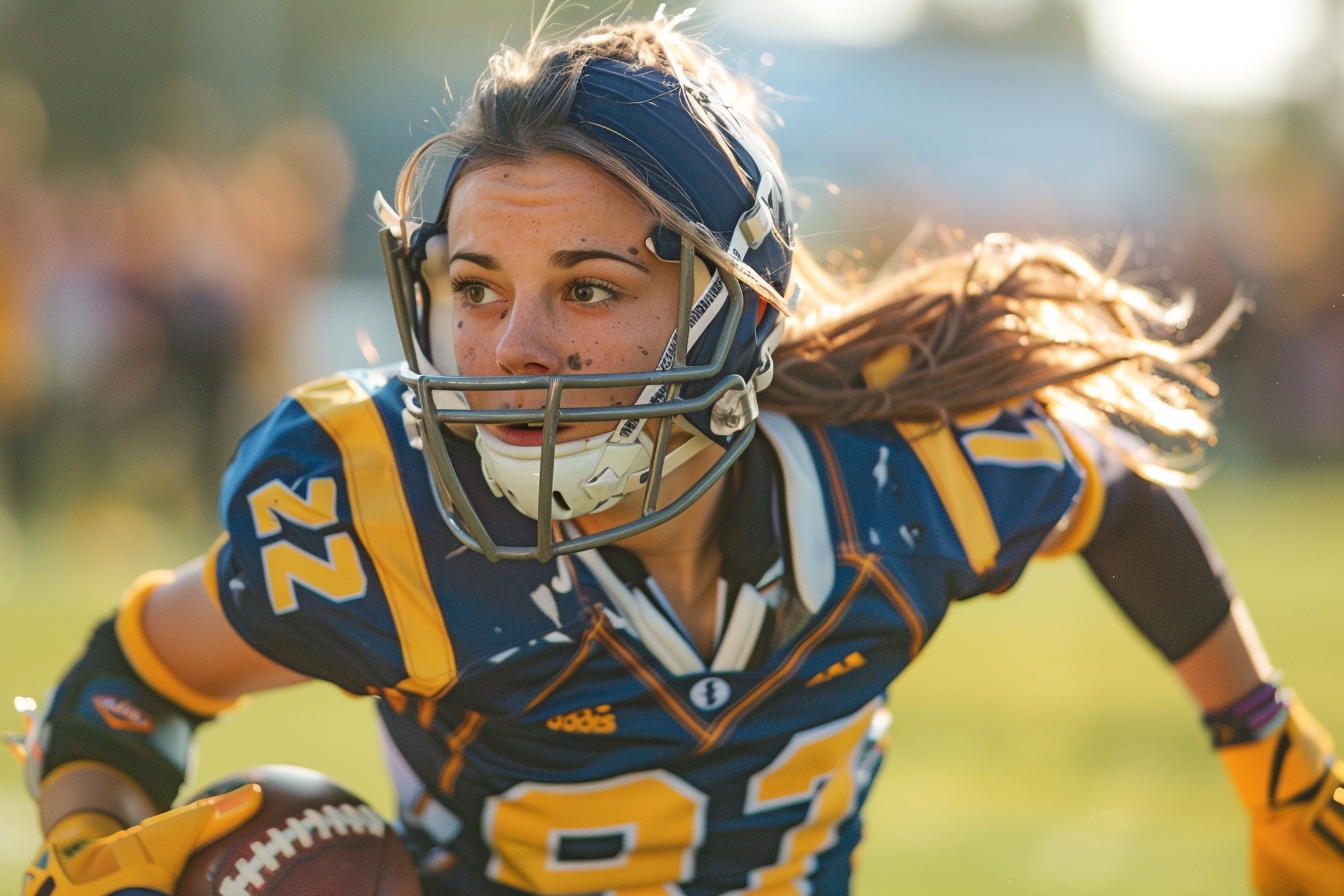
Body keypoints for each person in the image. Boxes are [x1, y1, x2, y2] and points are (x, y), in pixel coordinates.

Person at [19, 14, 1344, 896]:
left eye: (588, 291)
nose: (512, 349)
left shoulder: (894, 478)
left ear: (734, 307)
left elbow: (1108, 491)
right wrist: (86, 837)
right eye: (477, 287)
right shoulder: (384, 519)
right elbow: (126, 685)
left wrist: (1267, 745)